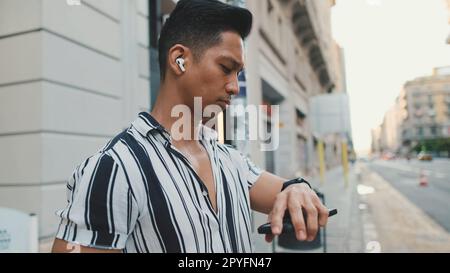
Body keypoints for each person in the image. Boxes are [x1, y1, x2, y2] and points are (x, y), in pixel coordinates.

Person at [51, 0, 329, 253]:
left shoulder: (229, 159)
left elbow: (285, 191)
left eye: (238, 74)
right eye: (225, 68)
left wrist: (299, 188)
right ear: (179, 60)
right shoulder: (115, 168)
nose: (234, 86)